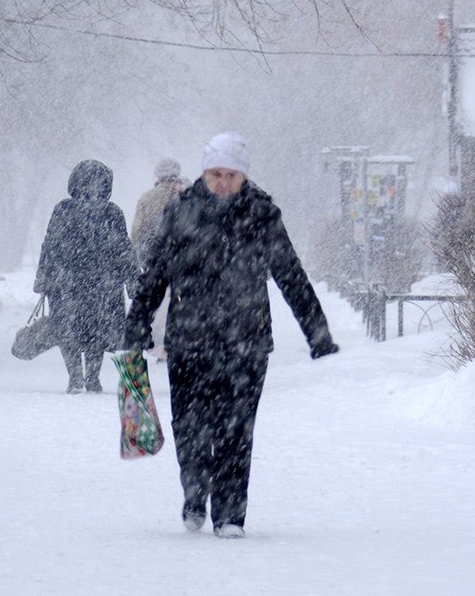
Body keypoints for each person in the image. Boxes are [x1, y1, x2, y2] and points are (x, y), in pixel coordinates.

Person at [123, 131, 339, 538]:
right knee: (189, 427)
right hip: (189, 341)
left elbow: (290, 274)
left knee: (236, 431)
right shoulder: (181, 212)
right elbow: (154, 277)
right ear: (204, 173)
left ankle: (229, 515)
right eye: (215, 173)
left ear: (244, 176)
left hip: (247, 342)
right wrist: (136, 327)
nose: (223, 182)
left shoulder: (262, 215)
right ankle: (194, 493)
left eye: (231, 175)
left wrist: (318, 333)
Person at [35, 159, 138, 394]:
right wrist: (131, 280)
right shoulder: (109, 212)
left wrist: (43, 278)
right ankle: (86, 377)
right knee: (92, 331)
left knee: (76, 329)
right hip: (98, 283)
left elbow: (50, 246)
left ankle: (81, 377)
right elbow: (124, 249)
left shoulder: (66, 210)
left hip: (72, 282)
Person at [129, 157, 189, 362]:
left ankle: (160, 343)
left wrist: (140, 257)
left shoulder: (147, 198)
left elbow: (137, 232)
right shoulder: (188, 194)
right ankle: (177, 342)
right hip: (185, 257)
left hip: (156, 258)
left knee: (159, 302)